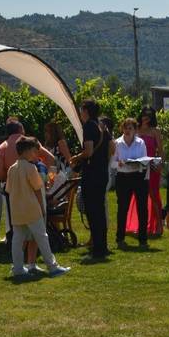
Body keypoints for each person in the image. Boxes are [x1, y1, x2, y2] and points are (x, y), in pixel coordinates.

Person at [6, 136, 71, 278]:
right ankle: (53, 266)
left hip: (17, 210)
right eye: (34, 151)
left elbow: (9, 189)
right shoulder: (31, 168)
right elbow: (37, 189)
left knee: (17, 240)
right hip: (32, 209)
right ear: (26, 151)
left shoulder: (12, 169)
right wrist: (42, 208)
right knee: (42, 237)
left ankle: (17, 268)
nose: (36, 154)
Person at [69, 99, 111, 259]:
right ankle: (103, 246)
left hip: (92, 174)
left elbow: (88, 151)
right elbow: (111, 147)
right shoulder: (102, 126)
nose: (80, 113)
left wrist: (76, 157)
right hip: (102, 172)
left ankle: (97, 250)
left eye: (81, 110)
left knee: (93, 212)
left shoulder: (88, 126)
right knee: (100, 211)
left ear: (86, 111)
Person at [126, 107, 162, 238]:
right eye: (144, 114)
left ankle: (158, 225)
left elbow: (161, 151)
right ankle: (137, 225)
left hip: (151, 166)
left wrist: (160, 165)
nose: (146, 117)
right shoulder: (135, 130)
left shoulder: (155, 131)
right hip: (138, 166)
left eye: (149, 115)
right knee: (137, 195)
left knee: (153, 195)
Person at [114, 118, 149, 248]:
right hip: (123, 177)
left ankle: (143, 240)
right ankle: (120, 239)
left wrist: (139, 162)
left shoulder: (140, 143)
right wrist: (119, 163)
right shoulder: (117, 143)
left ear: (135, 130)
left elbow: (145, 160)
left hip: (139, 177)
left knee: (142, 209)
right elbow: (112, 162)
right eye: (125, 128)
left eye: (130, 128)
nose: (127, 131)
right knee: (122, 209)